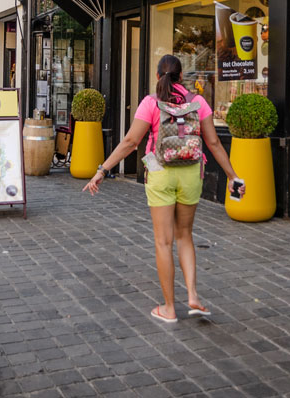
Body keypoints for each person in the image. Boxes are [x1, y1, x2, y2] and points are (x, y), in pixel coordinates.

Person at [83, 55, 245, 323]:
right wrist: (232, 176)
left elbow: (131, 141)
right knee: (185, 236)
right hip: (191, 173)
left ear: (158, 77)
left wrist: (103, 170)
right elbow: (214, 143)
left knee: (163, 241)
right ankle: (192, 294)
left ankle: (169, 308)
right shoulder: (199, 102)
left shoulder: (150, 103)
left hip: (159, 172)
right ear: (181, 77)